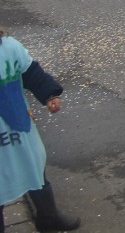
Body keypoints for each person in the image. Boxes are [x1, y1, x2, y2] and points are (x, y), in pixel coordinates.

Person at [0, 30, 80, 232]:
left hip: (18, 127)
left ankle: (48, 216)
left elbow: (31, 73)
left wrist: (49, 94)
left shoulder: (9, 47)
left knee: (34, 168)